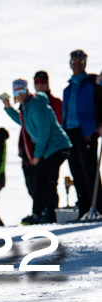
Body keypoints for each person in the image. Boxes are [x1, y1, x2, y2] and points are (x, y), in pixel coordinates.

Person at [5, 79, 72, 224]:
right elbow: (23, 121)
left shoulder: (36, 105)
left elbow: (44, 133)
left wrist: (37, 156)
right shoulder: (27, 107)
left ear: (27, 90)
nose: (20, 94)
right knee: (47, 180)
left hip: (58, 147)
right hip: (52, 149)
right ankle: (49, 213)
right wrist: (9, 108)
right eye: (17, 92)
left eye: (22, 90)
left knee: (40, 179)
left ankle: (38, 214)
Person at [61, 50, 102, 218]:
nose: (77, 64)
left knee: (89, 169)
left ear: (85, 63)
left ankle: (98, 207)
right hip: (69, 131)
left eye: (80, 61)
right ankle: (84, 208)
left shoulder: (92, 83)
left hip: (87, 130)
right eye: (74, 61)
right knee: (76, 170)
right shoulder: (68, 88)